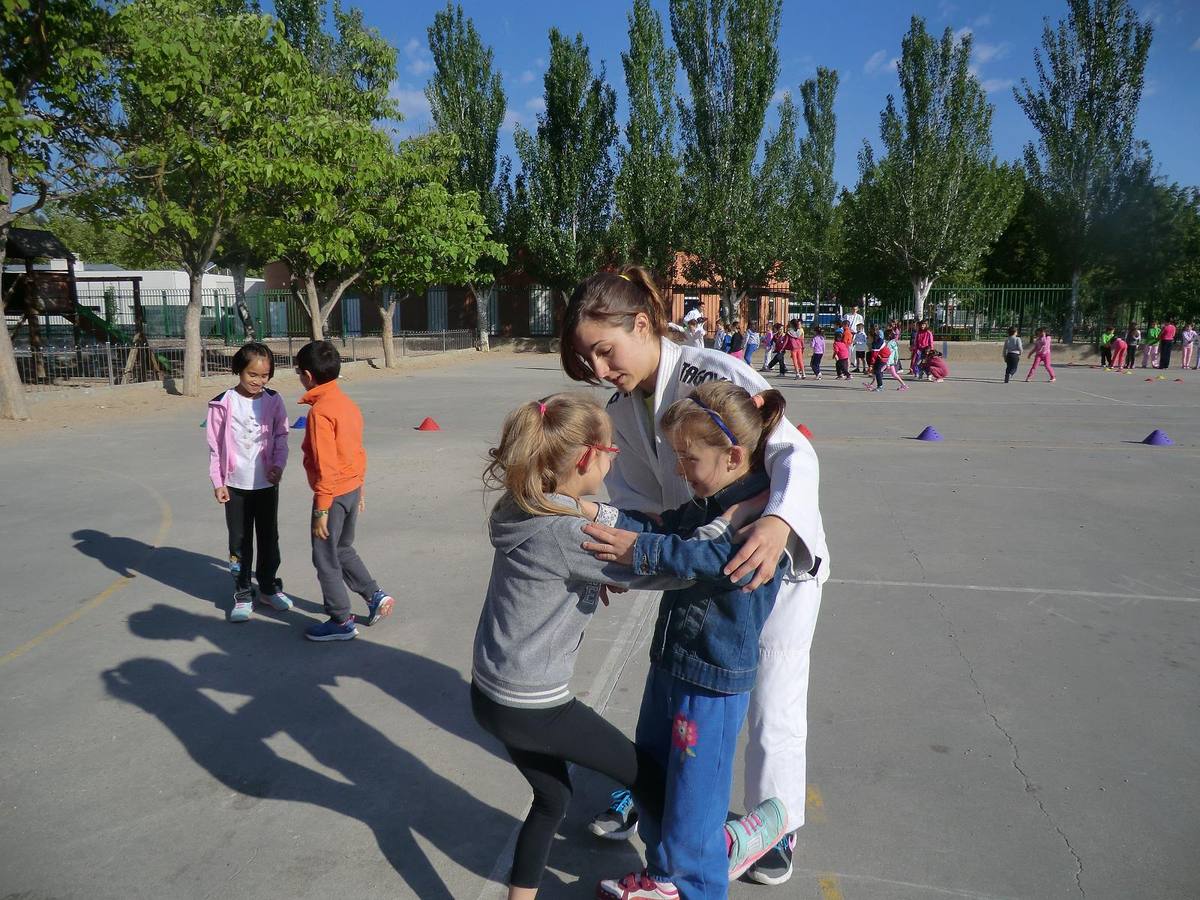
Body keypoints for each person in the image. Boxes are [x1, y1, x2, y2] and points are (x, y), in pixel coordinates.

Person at [561, 267, 829, 887]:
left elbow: (793, 452)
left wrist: (779, 523)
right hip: (697, 564)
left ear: (643, 325)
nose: (600, 368)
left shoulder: (710, 373)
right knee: (676, 707)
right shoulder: (623, 409)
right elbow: (642, 505)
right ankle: (655, 797)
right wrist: (615, 557)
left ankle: (776, 829)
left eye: (607, 350)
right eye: (587, 357)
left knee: (770, 701)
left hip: (773, 562)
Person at [472, 392, 785, 900]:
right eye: (612, 453)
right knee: (651, 779)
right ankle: (723, 851)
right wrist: (737, 518)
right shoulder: (570, 534)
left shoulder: (522, 504)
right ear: (585, 459)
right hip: (534, 705)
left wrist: (596, 560)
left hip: (488, 696)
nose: (615, 463)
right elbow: (675, 572)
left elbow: (595, 524)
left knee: (552, 800)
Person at [584, 381, 794, 900]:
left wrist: (641, 552)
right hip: (672, 662)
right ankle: (662, 877)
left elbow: (710, 561)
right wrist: (594, 514)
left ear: (734, 456)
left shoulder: (757, 516)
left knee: (695, 802)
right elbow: (664, 526)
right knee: (652, 774)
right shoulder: (707, 501)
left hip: (713, 679)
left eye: (688, 457)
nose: (680, 469)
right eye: (676, 455)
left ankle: (697, 888)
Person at [296, 340, 395, 641]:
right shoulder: (346, 404)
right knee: (342, 548)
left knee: (325, 556)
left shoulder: (321, 413)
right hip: (351, 488)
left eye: (300, 372)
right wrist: (360, 489)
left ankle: (340, 620)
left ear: (308, 377)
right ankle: (374, 595)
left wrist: (322, 509)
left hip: (333, 494)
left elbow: (326, 465)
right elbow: (357, 452)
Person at [206, 342, 292, 621]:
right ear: (238, 371)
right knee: (239, 542)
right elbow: (215, 446)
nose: (259, 381)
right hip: (235, 485)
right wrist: (218, 480)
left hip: (266, 484)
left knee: (269, 539)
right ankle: (243, 593)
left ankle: (268, 587)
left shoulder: (273, 400)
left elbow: (281, 436)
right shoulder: (223, 403)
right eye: (252, 375)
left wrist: (278, 465)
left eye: (265, 375)